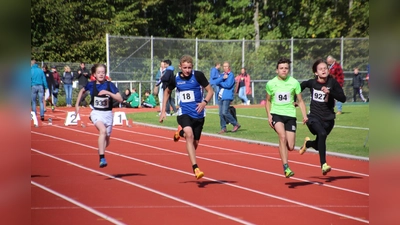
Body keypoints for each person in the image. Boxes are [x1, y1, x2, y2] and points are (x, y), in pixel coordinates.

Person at [159, 55, 214, 180]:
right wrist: (163, 111)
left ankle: (180, 132)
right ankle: (196, 168)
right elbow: (167, 91)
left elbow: (210, 91)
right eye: (185, 68)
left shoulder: (198, 75)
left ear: (192, 67)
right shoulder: (176, 78)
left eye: (189, 67)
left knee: (194, 143)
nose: (187, 70)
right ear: (180, 67)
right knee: (189, 135)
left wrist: (204, 102)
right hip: (184, 113)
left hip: (199, 114)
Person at [299, 59, 346, 175]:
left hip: (328, 119)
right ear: (316, 72)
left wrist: (330, 93)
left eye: (325, 68)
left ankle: (308, 144)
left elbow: (343, 98)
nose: (323, 70)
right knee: (322, 134)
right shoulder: (313, 83)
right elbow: (302, 85)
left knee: (319, 144)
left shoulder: (332, 83)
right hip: (313, 117)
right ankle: (323, 165)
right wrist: (295, 99)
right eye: (320, 69)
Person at [265, 57, 308, 178]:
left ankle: (304, 143)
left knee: (291, 146)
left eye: (286, 68)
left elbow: (300, 101)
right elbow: (268, 101)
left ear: (288, 70)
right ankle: (286, 167)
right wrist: (269, 115)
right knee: (282, 136)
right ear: (276, 70)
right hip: (276, 114)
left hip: (290, 115)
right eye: (281, 68)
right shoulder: (271, 83)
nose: (284, 70)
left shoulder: (294, 83)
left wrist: (304, 115)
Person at [75, 64, 122, 168]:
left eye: (103, 72)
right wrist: (77, 105)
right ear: (94, 75)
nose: (101, 74)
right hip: (96, 113)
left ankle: (101, 150)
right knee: (103, 131)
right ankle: (102, 158)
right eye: (99, 72)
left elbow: (120, 99)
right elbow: (82, 91)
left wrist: (108, 93)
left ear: (105, 74)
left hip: (108, 114)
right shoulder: (91, 84)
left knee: (107, 140)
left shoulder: (110, 85)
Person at [215, 61, 240, 134]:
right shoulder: (222, 75)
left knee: (225, 112)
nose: (225, 68)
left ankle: (235, 124)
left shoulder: (231, 75)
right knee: (221, 113)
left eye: (226, 66)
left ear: (229, 67)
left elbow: (228, 85)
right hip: (220, 96)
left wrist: (221, 83)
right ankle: (223, 128)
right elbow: (216, 82)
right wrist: (222, 78)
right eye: (224, 66)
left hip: (227, 96)